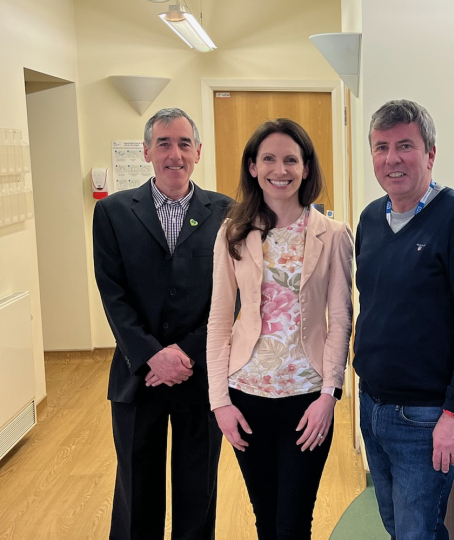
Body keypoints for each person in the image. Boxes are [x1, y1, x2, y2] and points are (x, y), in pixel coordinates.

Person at [354, 99, 454, 540]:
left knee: (419, 533)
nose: (391, 159)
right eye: (381, 147)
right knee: (397, 528)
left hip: (424, 417)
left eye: (405, 146)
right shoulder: (370, 219)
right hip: (372, 407)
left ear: (430, 154)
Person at [206, 119, 353, 539]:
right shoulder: (233, 232)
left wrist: (330, 393)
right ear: (252, 167)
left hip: (307, 400)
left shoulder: (333, 234)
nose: (280, 169)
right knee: (265, 518)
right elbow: (219, 322)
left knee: (293, 522)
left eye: (292, 159)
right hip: (246, 395)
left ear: (306, 168)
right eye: (268, 158)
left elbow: (341, 319)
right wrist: (220, 402)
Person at [93, 108, 232, 539]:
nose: (175, 154)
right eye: (165, 143)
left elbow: (232, 296)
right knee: (137, 488)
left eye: (184, 143)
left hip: (200, 373)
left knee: (198, 489)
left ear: (199, 152)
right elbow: (112, 293)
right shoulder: (114, 212)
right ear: (147, 151)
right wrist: (153, 355)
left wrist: (185, 352)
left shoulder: (228, 212)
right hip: (140, 376)